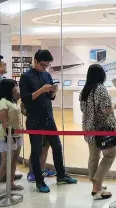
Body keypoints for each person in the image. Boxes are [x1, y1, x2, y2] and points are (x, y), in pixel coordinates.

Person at [20, 49, 77, 193]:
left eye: (47, 65)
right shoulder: (25, 77)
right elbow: (26, 99)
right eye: (43, 65)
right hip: (34, 119)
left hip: (48, 117)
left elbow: (50, 98)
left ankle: (61, 175)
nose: (45, 68)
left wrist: (53, 92)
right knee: (36, 151)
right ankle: (39, 181)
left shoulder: (47, 75)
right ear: (35, 61)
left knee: (57, 147)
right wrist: (40, 90)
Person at [80, 64, 116, 200]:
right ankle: (97, 186)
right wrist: (115, 105)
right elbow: (106, 109)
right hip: (102, 129)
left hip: (88, 128)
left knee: (93, 156)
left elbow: (83, 109)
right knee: (110, 155)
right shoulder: (100, 89)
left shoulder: (85, 90)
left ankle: (95, 184)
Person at [0, 54, 23, 181]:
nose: (6, 66)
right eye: (4, 64)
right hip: (3, 119)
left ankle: (3, 172)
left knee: (2, 147)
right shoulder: (0, 81)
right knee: (4, 148)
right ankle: (3, 173)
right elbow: (13, 96)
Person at [0, 79, 24, 199]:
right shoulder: (2, 103)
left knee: (14, 161)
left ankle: (11, 183)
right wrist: (10, 137)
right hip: (6, 137)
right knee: (4, 164)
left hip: (17, 135)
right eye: (15, 86)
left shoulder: (14, 100)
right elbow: (4, 122)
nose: (17, 88)